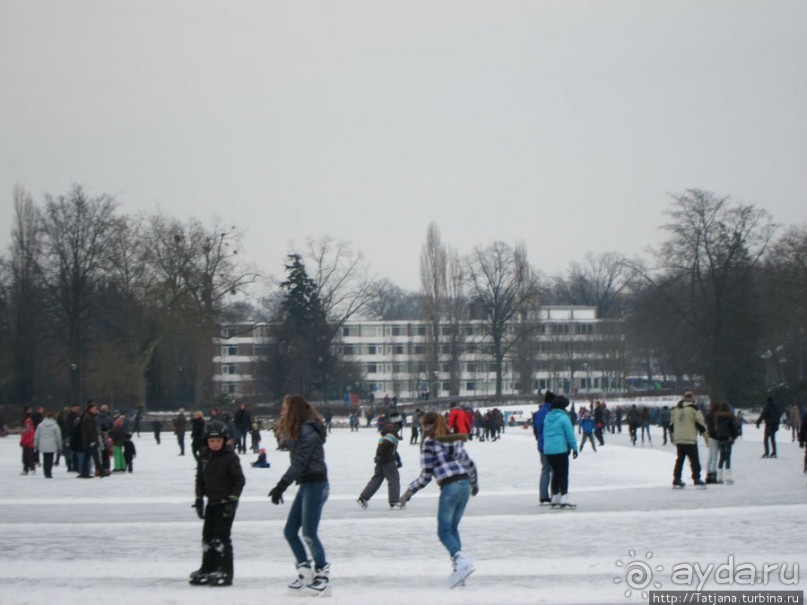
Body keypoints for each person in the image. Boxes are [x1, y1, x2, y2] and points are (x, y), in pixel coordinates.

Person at [398, 411, 479, 589]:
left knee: (443, 531)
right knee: (452, 528)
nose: (422, 429)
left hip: (450, 487)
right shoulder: (456, 439)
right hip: (464, 484)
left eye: (423, 426)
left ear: (428, 426)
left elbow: (426, 475)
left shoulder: (429, 442)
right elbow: (469, 464)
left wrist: (408, 493)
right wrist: (474, 484)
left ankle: (461, 562)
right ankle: (460, 570)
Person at [268, 394, 331, 595]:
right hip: (306, 485)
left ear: (293, 411)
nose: (282, 411)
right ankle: (305, 571)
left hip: (316, 485)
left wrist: (282, 485)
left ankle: (322, 575)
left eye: (285, 408)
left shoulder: (308, 432)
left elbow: (300, 462)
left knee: (309, 533)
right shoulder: (300, 430)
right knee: (290, 531)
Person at [189, 420, 245, 586]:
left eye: (218, 441)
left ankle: (224, 571)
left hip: (226, 503)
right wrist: (199, 499)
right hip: (212, 503)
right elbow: (199, 480)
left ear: (224, 440)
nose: (215, 444)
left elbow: (239, 480)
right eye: (212, 441)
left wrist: (233, 500)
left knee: (221, 537)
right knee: (207, 536)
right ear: (207, 441)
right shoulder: (204, 456)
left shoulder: (230, 457)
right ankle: (208, 567)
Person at [357, 412, 403, 509]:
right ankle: (394, 501)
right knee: (394, 479)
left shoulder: (387, 430)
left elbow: (391, 448)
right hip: (388, 460)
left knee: (377, 478)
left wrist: (397, 458)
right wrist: (379, 454)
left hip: (382, 459)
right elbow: (384, 443)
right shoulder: (392, 432)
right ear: (396, 423)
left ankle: (363, 497)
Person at [543, 395, 579, 508]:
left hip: (548, 450)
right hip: (560, 449)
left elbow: (545, 433)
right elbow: (570, 435)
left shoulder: (547, 417)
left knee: (555, 473)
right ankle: (564, 496)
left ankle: (555, 496)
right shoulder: (564, 418)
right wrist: (574, 448)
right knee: (563, 473)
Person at [669, 391, 709, 488]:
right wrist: (706, 437)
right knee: (694, 459)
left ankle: (676, 478)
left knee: (680, 459)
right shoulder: (694, 409)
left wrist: (672, 437)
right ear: (692, 398)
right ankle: (696, 478)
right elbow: (700, 424)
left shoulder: (676, 409)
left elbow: (671, 425)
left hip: (679, 439)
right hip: (689, 438)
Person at [532, 391, 556, 505]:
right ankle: (554, 494)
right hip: (550, 445)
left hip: (541, 445)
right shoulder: (551, 412)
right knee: (553, 470)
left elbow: (536, 429)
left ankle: (543, 495)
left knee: (545, 469)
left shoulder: (539, 412)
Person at [714, 402, 738, 485]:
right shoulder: (730, 416)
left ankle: (719, 477)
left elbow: (716, 428)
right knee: (727, 457)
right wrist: (734, 436)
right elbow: (734, 428)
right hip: (728, 438)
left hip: (720, 438)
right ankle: (728, 477)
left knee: (722, 456)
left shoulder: (717, 417)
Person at [34, 412, 63, 479]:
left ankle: (45, 472)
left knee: (45, 458)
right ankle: (49, 472)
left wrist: (36, 445)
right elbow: (58, 437)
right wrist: (59, 446)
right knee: (50, 459)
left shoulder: (40, 425)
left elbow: (36, 436)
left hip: (42, 444)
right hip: (52, 444)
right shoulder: (55, 426)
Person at [80, 402, 103, 479]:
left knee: (86, 458)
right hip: (90, 442)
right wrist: (92, 441)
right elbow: (90, 431)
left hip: (88, 442)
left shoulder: (90, 417)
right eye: (94, 409)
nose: (96, 410)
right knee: (95, 457)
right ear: (90, 409)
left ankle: (84, 472)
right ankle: (100, 471)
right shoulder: (88, 418)